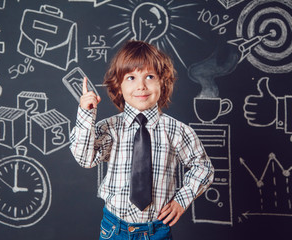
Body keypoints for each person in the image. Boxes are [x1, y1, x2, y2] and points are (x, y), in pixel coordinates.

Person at [70, 40, 214, 239]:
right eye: (131, 77)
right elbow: (85, 159)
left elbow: (203, 167)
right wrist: (86, 115)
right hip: (115, 228)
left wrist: (182, 200)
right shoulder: (110, 128)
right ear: (118, 86)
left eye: (150, 76)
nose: (141, 86)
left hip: (157, 230)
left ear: (162, 82)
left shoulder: (178, 131)